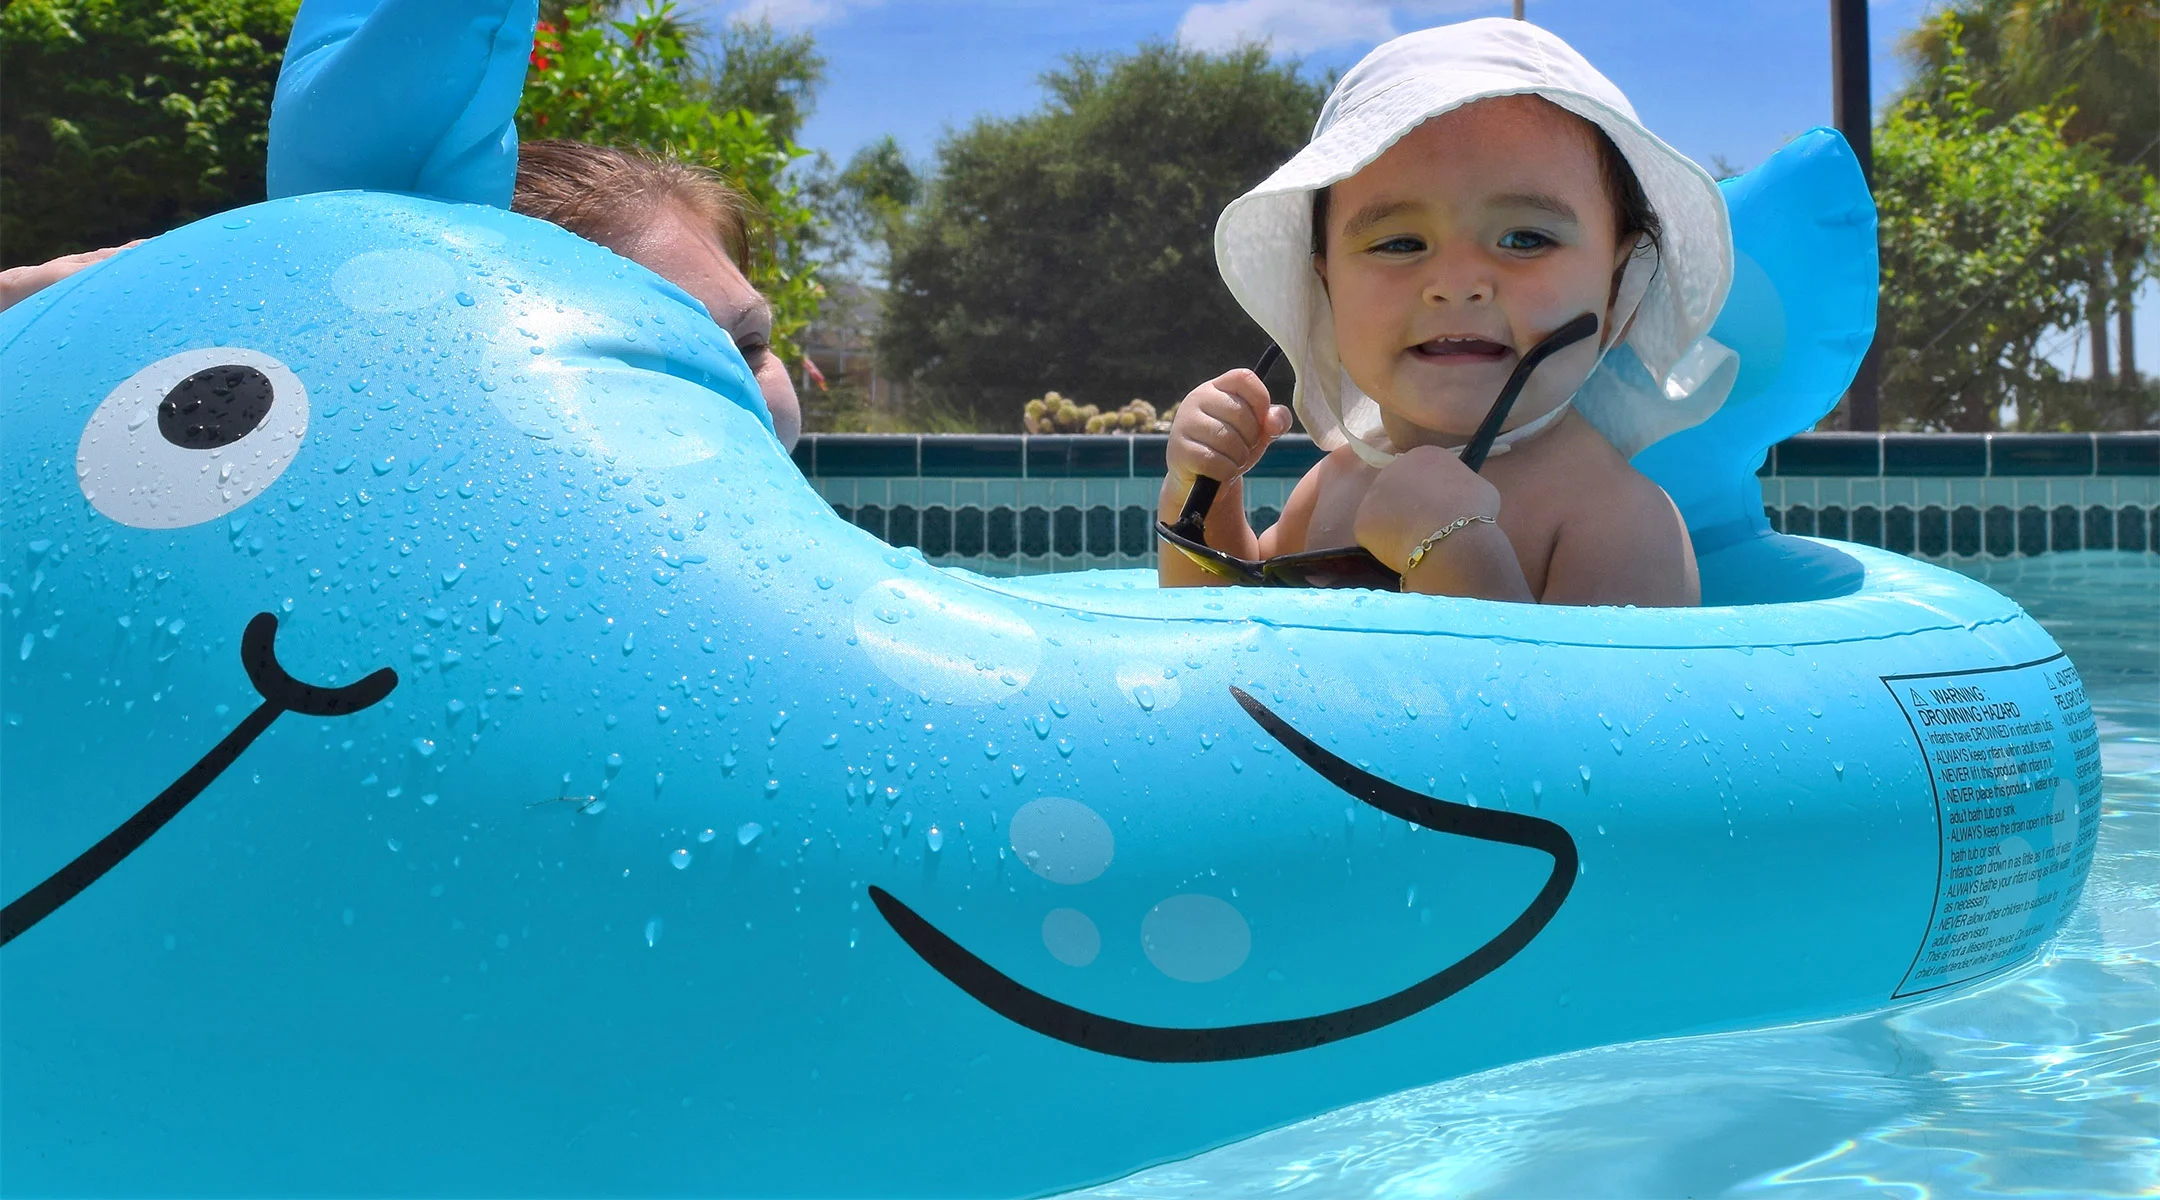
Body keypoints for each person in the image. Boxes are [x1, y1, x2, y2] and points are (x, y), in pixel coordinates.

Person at [1160, 19, 1735, 606]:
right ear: (1326, 291)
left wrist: (1456, 552)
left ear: (1619, 289)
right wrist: (1204, 496)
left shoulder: (1619, 522)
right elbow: (1218, 628)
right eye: (1400, 244)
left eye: (1525, 239)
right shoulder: (1333, 484)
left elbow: (1584, 674)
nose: (1457, 286)